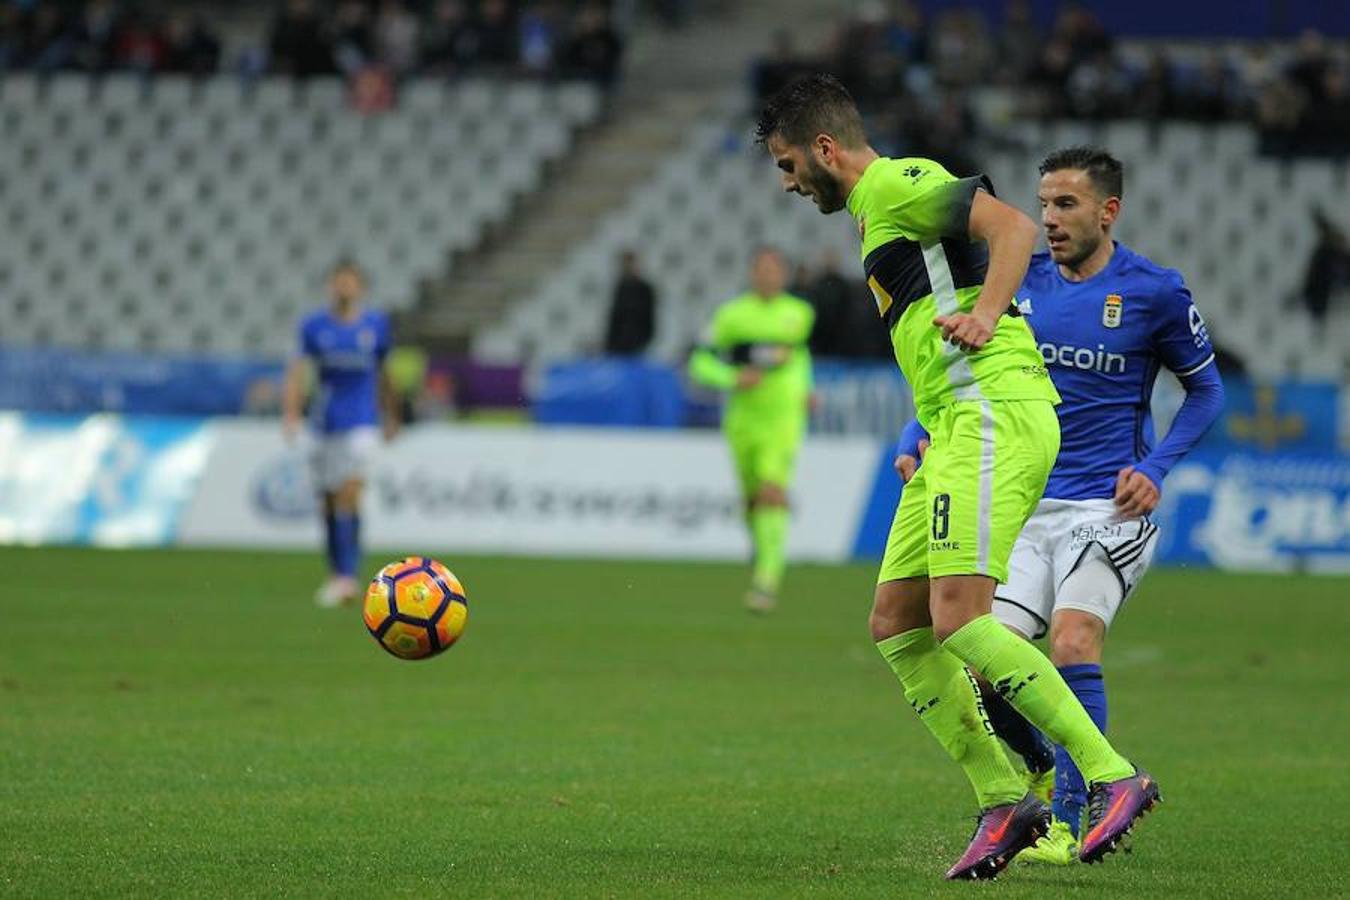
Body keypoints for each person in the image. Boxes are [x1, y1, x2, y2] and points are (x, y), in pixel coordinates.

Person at [756, 74, 1158, 880]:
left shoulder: (901, 183)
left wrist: (985, 313)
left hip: (993, 411)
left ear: (825, 149)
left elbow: (1010, 227)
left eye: (789, 162)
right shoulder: (876, 213)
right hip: (952, 427)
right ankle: (1004, 795)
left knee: (962, 620)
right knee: (896, 623)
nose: (789, 181)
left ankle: (1111, 775)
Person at [896, 146, 1224, 864]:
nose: (1049, 219)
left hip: (1106, 510)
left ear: (1109, 211)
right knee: (979, 659)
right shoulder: (1017, 280)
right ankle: (1048, 773)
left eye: (1066, 205)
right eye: (1042, 204)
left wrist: (1157, 466)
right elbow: (962, 366)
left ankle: (1079, 818)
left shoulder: (1155, 291)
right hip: (1020, 501)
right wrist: (916, 432)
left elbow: (1207, 391)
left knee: (1073, 640)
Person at [688, 248, 814, 613]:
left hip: (783, 416)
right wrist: (731, 377)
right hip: (743, 419)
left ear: (784, 275)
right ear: (752, 273)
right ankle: (762, 546)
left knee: (772, 491)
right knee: (751, 499)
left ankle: (766, 581)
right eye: (762, 269)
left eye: (775, 269)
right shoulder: (731, 317)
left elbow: (799, 356)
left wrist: (806, 388)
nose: (768, 275)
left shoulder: (799, 314)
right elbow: (699, 361)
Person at [283, 261, 398, 608]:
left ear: (360, 287)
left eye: (350, 282)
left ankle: (349, 576)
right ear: (332, 286)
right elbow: (298, 372)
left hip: (362, 422)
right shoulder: (314, 327)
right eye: (339, 282)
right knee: (329, 501)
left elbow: (384, 371)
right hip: (325, 422)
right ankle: (336, 573)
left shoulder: (376, 325)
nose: (344, 288)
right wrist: (291, 413)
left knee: (351, 492)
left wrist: (393, 413)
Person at [603, 250, 657, 355]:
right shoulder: (620, 287)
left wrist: (644, 340)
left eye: (630, 264)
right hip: (618, 344)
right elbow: (615, 318)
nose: (627, 268)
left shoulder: (645, 289)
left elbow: (648, 317)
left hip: (639, 342)